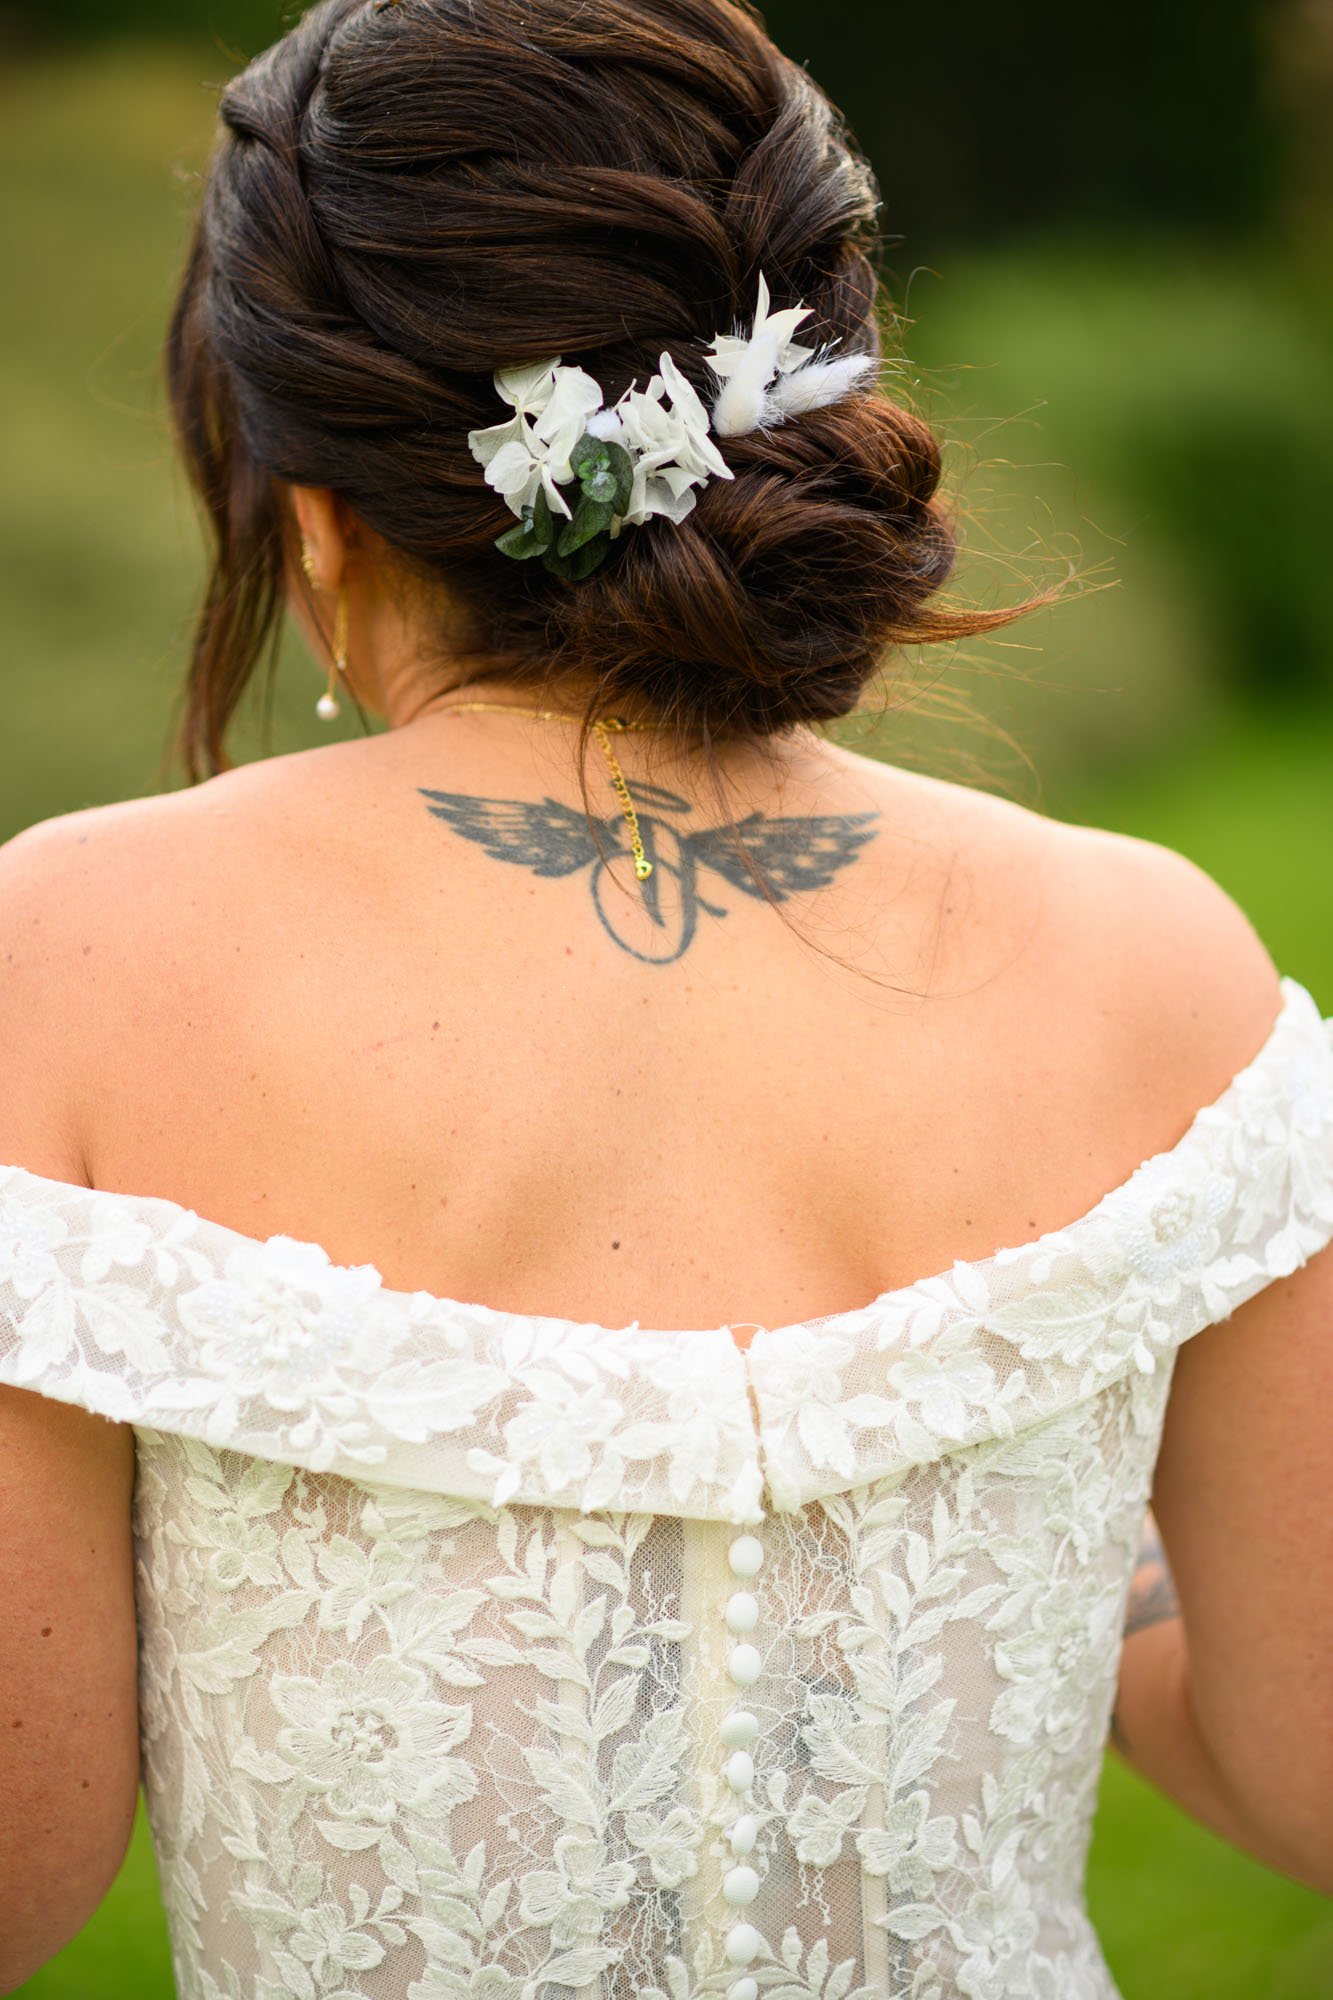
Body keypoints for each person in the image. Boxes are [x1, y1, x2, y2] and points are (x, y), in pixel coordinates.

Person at [1, 1, 1330, 1994]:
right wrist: (1031, 1529)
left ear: (312, 507)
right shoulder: (1156, 961)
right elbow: (1301, 1765)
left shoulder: (72, 951)